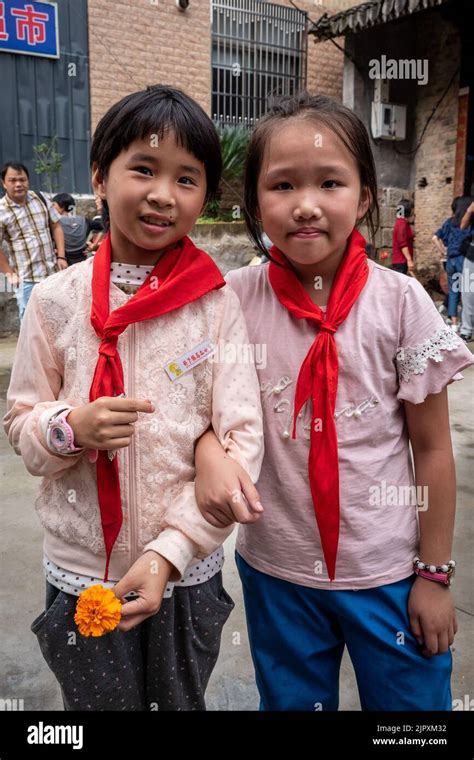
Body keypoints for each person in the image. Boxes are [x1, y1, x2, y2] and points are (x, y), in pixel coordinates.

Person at [193, 92, 474, 711]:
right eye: (282, 185)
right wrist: (208, 446)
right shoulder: (230, 301)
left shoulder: (401, 303)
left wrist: (434, 575)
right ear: (254, 203)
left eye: (330, 182)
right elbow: (190, 404)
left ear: (365, 196)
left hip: (389, 574)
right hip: (277, 572)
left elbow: (430, 448)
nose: (306, 205)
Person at [3, 85, 263, 711]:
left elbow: (242, 438)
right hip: (82, 569)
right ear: (100, 176)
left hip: (184, 570)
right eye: (142, 169)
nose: (162, 194)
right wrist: (69, 428)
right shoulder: (57, 301)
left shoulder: (214, 302)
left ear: (205, 195)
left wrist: (170, 552)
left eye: (186, 178)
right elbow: (20, 425)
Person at [0, 161, 67, 319]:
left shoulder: (40, 198)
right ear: (4, 183)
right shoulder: (2, 211)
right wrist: (9, 273)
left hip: (52, 273)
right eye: (13, 180)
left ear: (28, 181)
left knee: (56, 319)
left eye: (22, 180)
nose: (18, 184)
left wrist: (62, 256)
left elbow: (56, 226)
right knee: (31, 324)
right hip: (26, 279)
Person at [432, 196, 472, 333]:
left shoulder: (449, 222)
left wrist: (442, 251)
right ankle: (467, 325)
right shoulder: (468, 223)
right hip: (463, 259)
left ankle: (454, 325)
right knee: (467, 291)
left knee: (453, 292)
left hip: (450, 260)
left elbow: (435, 237)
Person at [52, 193, 104, 266]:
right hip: (82, 261)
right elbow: (104, 225)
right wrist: (94, 245)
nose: (52, 207)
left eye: (54, 204)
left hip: (63, 262)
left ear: (62, 206)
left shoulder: (55, 224)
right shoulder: (84, 221)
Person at [459, 199, 474, 341]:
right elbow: (462, 226)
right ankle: (466, 330)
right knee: (468, 292)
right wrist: (470, 210)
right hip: (472, 256)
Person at [391, 198, 415, 274]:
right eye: (412, 209)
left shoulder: (403, 223)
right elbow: (402, 244)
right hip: (401, 262)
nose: (413, 211)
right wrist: (409, 260)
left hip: (401, 262)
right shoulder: (401, 223)